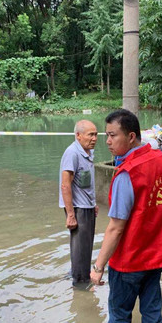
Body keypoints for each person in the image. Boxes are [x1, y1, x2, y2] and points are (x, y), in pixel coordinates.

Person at [90, 109, 162, 323]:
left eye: (112, 135)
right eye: (106, 135)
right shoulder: (160, 159)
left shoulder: (127, 173)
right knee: (151, 310)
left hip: (129, 260)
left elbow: (116, 227)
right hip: (155, 256)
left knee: (119, 313)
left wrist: (98, 266)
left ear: (131, 136)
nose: (107, 141)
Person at [59, 120, 99, 287]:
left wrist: (94, 203)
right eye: (91, 134)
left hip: (87, 206)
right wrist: (70, 214)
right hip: (78, 208)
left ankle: (79, 273)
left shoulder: (87, 152)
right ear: (78, 135)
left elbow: (87, 183)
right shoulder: (72, 153)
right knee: (81, 247)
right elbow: (65, 184)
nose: (95, 138)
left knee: (86, 245)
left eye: (96, 134)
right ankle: (81, 284)